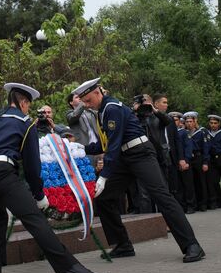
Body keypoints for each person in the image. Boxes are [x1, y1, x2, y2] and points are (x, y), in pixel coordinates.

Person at [0, 82, 108, 273]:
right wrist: (39, 195)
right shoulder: (25, 122)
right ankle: (70, 271)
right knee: (35, 220)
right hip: (1, 172)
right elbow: (32, 165)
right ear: (23, 102)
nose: (28, 109)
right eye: (28, 105)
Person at [74, 77, 205, 263]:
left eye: (88, 101)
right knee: (104, 198)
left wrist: (104, 175)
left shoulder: (112, 108)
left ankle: (192, 245)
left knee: (162, 196)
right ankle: (123, 245)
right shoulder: (102, 110)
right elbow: (106, 143)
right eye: (84, 102)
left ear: (98, 92)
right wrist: (79, 148)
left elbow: (113, 143)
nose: (87, 105)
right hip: (123, 157)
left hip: (140, 153)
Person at [183, 112, 210, 211]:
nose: (189, 123)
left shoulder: (201, 132)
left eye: (191, 121)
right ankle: (193, 204)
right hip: (189, 159)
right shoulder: (184, 133)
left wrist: (205, 162)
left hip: (199, 158)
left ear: (195, 122)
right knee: (190, 182)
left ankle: (203, 204)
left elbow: (206, 148)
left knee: (201, 182)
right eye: (187, 121)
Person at [206, 114, 221, 209]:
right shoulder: (207, 133)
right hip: (211, 160)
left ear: (219, 124)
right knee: (214, 182)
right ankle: (216, 201)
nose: (213, 125)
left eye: (215, 123)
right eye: (211, 123)